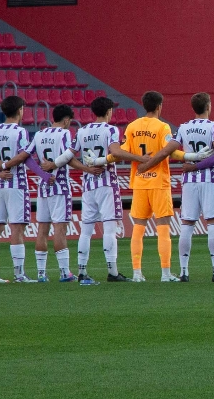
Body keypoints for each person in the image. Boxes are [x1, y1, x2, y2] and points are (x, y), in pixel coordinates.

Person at [106, 91, 182, 283]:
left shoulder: (132, 126)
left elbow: (121, 152)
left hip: (139, 183)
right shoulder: (163, 127)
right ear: (159, 106)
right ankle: (165, 273)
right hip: (159, 183)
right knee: (163, 228)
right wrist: (191, 156)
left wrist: (103, 160)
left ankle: (137, 273)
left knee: (138, 229)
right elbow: (170, 151)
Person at [170, 93, 214, 282]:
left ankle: (183, 272)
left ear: (193, 108)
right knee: (213, 222)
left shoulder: (183, 127)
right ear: (208, 106)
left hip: (189, 180)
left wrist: (189, 159)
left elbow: (172, 150)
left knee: (187, 224)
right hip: (208, 179)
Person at [0, 95, 35, 283]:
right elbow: (23, 156)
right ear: (20, 110)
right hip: (16, 184)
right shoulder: (20, 132)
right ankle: (19, 274)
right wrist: (6, 165)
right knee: (17, 228)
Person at [72, 96, 125, 282]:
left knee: (86, 231)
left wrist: (86, 169)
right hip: (107, 183)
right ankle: (112, 272)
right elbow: (116, 153)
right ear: (109, 111)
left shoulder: (82, 131)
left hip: (88, 185)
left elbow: (69, 157)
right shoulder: (111, 130)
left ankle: (81, 271)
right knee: (109, 229)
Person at [29, 106, 78, 283]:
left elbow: (26, 155)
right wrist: (86, 168)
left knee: (42, 229)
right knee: (60, 229)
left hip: (43, 186)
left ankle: (41, 273)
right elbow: (68, 157)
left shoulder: (39, 134)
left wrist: (41, 172)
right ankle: (65, 272)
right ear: (66, 120)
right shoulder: (64, 134)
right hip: (59, 185)